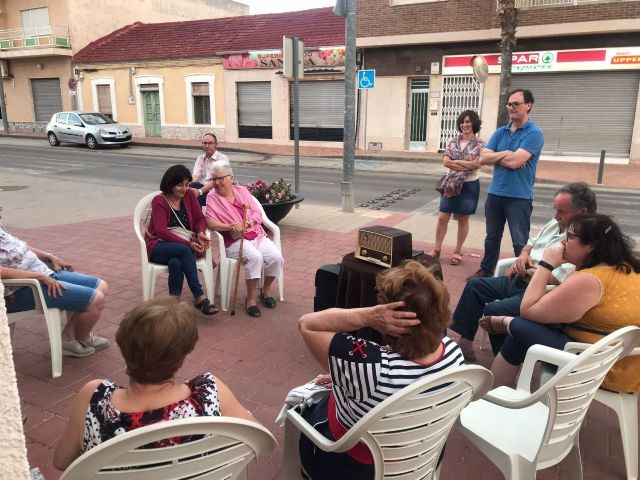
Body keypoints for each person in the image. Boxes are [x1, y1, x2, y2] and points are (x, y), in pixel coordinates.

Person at [297, 260, 464, 479]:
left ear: (390, 319)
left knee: (305, 408)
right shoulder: (455, 356)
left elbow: (306, 323)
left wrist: (368, 316)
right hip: (420, 457)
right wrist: (346, 377)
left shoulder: (370, 368)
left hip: (355, 467)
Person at [53, 296, 257, 470]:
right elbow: (256, 437)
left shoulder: (95, 398)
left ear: (123, 348)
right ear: (183, 357)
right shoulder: (208, 392)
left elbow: (62, 462)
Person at [480, 214, 640, 391]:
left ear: (591, 246)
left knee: (521, 324)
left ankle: (491, 388)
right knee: (522, 332)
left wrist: (546, 264)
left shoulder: (590, 280)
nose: (563, 242)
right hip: (623, 361)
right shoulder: (627, 268)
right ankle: (494, 391)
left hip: (603, 367)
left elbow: (528, 309)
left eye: (570, 237)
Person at [449, 182, 597, 361]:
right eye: (555, 209)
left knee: (495, 310)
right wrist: (523, 256)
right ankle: (465, 342)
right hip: (520, 277)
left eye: (561, 211)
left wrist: (532, 271)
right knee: (474, 286)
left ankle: (503, 359)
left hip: (540, 292)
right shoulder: (555, 222)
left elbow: (560, 279)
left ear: (582, 212)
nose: (556, 215)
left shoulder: (583, 240)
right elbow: (530, 243)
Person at [1, 222, 109, 358]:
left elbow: (20, 247)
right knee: (96, 300)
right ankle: (80, 338)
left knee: (101, 286)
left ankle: (70, 337)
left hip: (43, 273)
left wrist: (49, 256)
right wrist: (37, 276)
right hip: (21, 288)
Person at [470, 89, 544, 279]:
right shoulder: (500, 131)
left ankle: (522, 276)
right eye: (509, 104)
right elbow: (482, 157)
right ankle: (487, 270)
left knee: (520, 242)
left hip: (519, 197)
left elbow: (516, 162)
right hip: (495, 194)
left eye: (515, 104)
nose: (511, 108)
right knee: (492, 238)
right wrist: (508, 154)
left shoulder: (534, 133)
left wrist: (499, 155)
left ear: (528, 105)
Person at [205, 163, 283, 318]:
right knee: (255, 257)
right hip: (233, 241)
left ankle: (265, 291)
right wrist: (229, 226)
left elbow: (257, 214)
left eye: (220, 178)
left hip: (255, 234)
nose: (217, 183)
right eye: (214, 179)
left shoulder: (242, 191)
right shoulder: (212, 197)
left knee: (276, 257)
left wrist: (247, 223)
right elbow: (210, 222)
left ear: (231, 178)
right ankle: (251, 299)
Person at [145, 164, 218, 315]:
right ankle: (199, 296)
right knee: (184, 250)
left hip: (180, 248)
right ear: (170, 184)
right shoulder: (160, 201)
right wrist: (189, 244)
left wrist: (200, 233)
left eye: (186, 184)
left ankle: (174, 302)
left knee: (176, 262)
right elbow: (161, 231)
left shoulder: (189, 195)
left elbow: (200, 218)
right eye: (179, 185)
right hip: (159, 246)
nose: (184, 189)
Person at [429, 110, 484, 266]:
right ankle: (437, 249)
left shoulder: (480, 144)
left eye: (468, 121)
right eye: (462, 122)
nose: (464, 125)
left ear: (474, 123)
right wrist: (466, 164)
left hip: (469, 184)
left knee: (463, 218)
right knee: (442, 218)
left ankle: (457, 251)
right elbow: (446, 162)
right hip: (451, 183)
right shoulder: (453, 141)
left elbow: (476, 165)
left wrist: (457, 163)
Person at [190, 133, 231, 207]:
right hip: (201, 188)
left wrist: (199, 191)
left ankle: (197, 217)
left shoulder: (222, 159)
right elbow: (195, 175)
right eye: (205, 143)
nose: (207, 146)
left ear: (216, 144)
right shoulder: (200, 159)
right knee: (192, 187)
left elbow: (215, 181)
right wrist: (189, 188)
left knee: (196, 197)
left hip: (215, 190)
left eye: (210, 143)